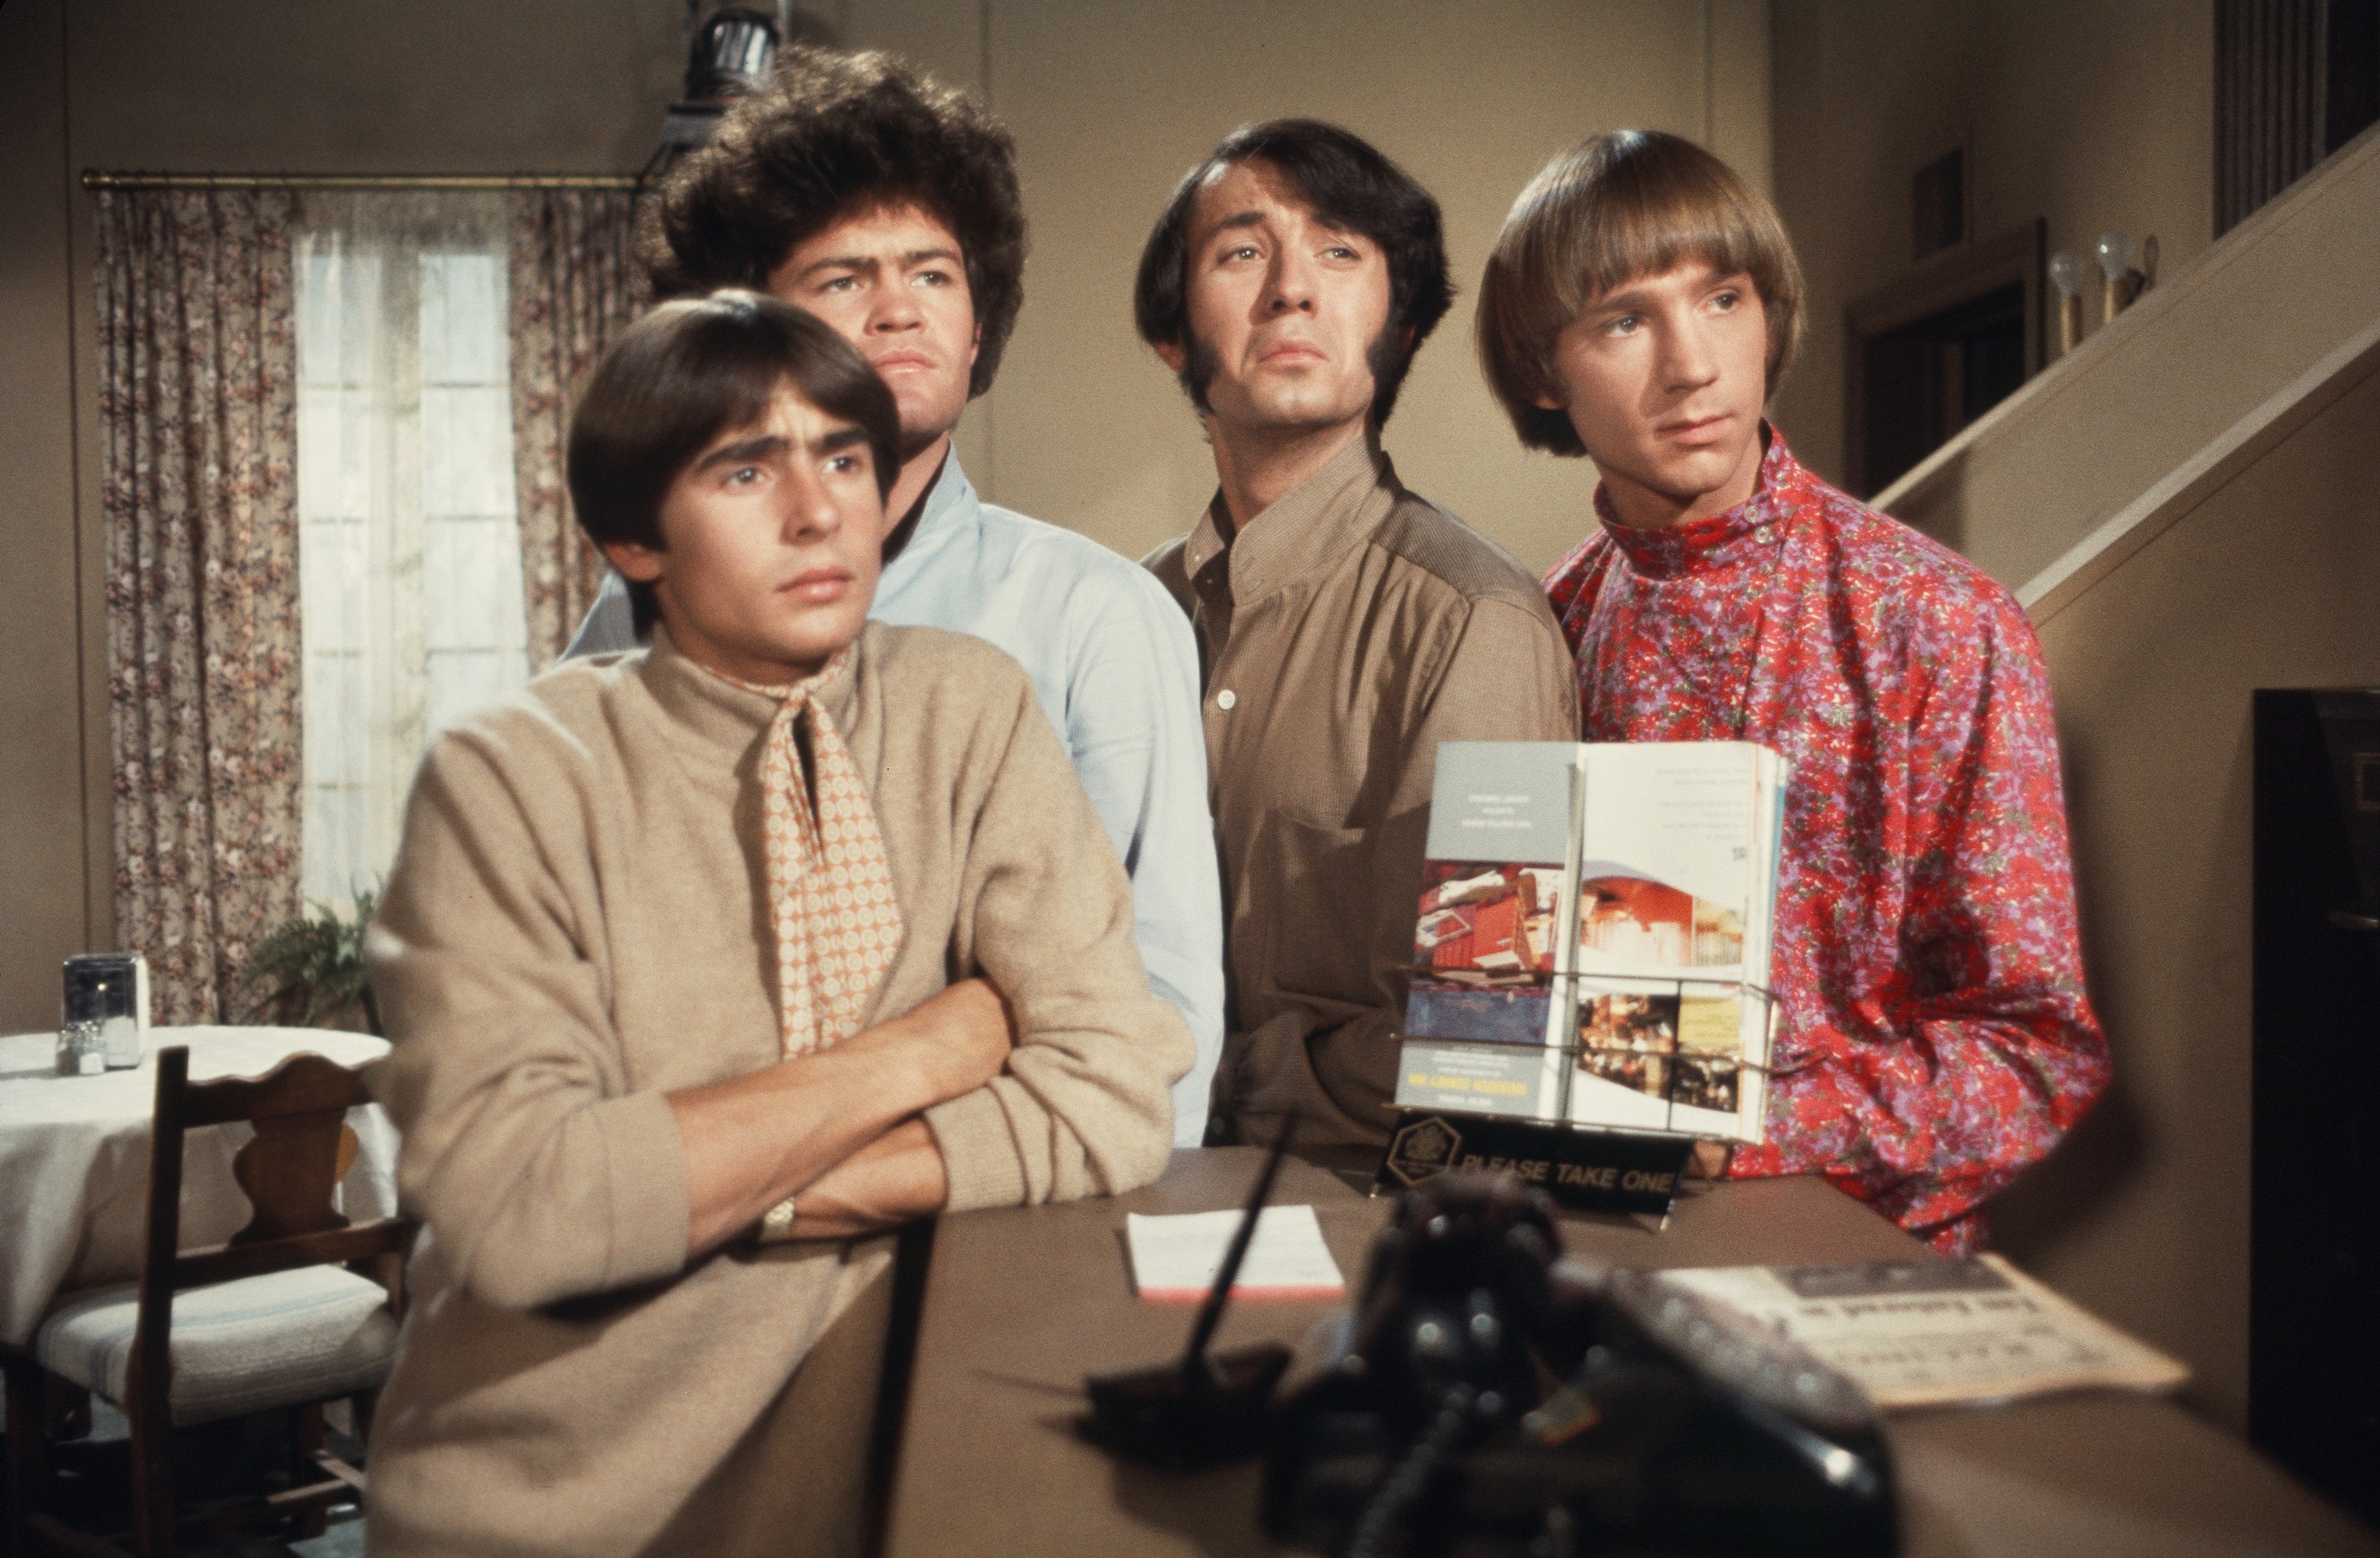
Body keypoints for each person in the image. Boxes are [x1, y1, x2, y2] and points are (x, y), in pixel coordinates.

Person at [364, 293, 1189, 1557]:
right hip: (557, 1512)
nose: (821, 512)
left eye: (845, 457)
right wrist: (930, 1049)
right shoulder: (512, 774)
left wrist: (691, 1188)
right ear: (633, 537)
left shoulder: (968, 708)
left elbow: (1116, 1093)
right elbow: (523, 1213)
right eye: (745, 468)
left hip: (887, 1497)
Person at [567, 47, 1225, 1144]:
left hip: (998, 1217)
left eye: (933, 275)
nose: (899, 310)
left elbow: (1165, 1011)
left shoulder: (1096, 616)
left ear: (977, 326)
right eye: (842, 279)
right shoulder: (647, 603)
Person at [1475, 129, 2109, 1252]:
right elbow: (1505, 1007)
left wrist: (1749, 1127)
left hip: (1863, 1262)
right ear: (1542, 373)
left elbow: (2034, 1054)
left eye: (1722, 300)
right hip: (1590, 1247)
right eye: (1627, 320)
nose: (1692, 364)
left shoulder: (1941, 625)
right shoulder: (1537, 631)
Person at [1135, 120, 1579, 1150]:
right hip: (1110, 1195)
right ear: (1172, 336)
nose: (1292, 288)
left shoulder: (1474, 621)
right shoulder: (1125, 612)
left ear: (1403, 327)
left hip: (1350, 1214)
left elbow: (1485, 1031)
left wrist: (1196, 1082)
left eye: (1341, 252)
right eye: (1242, 252)